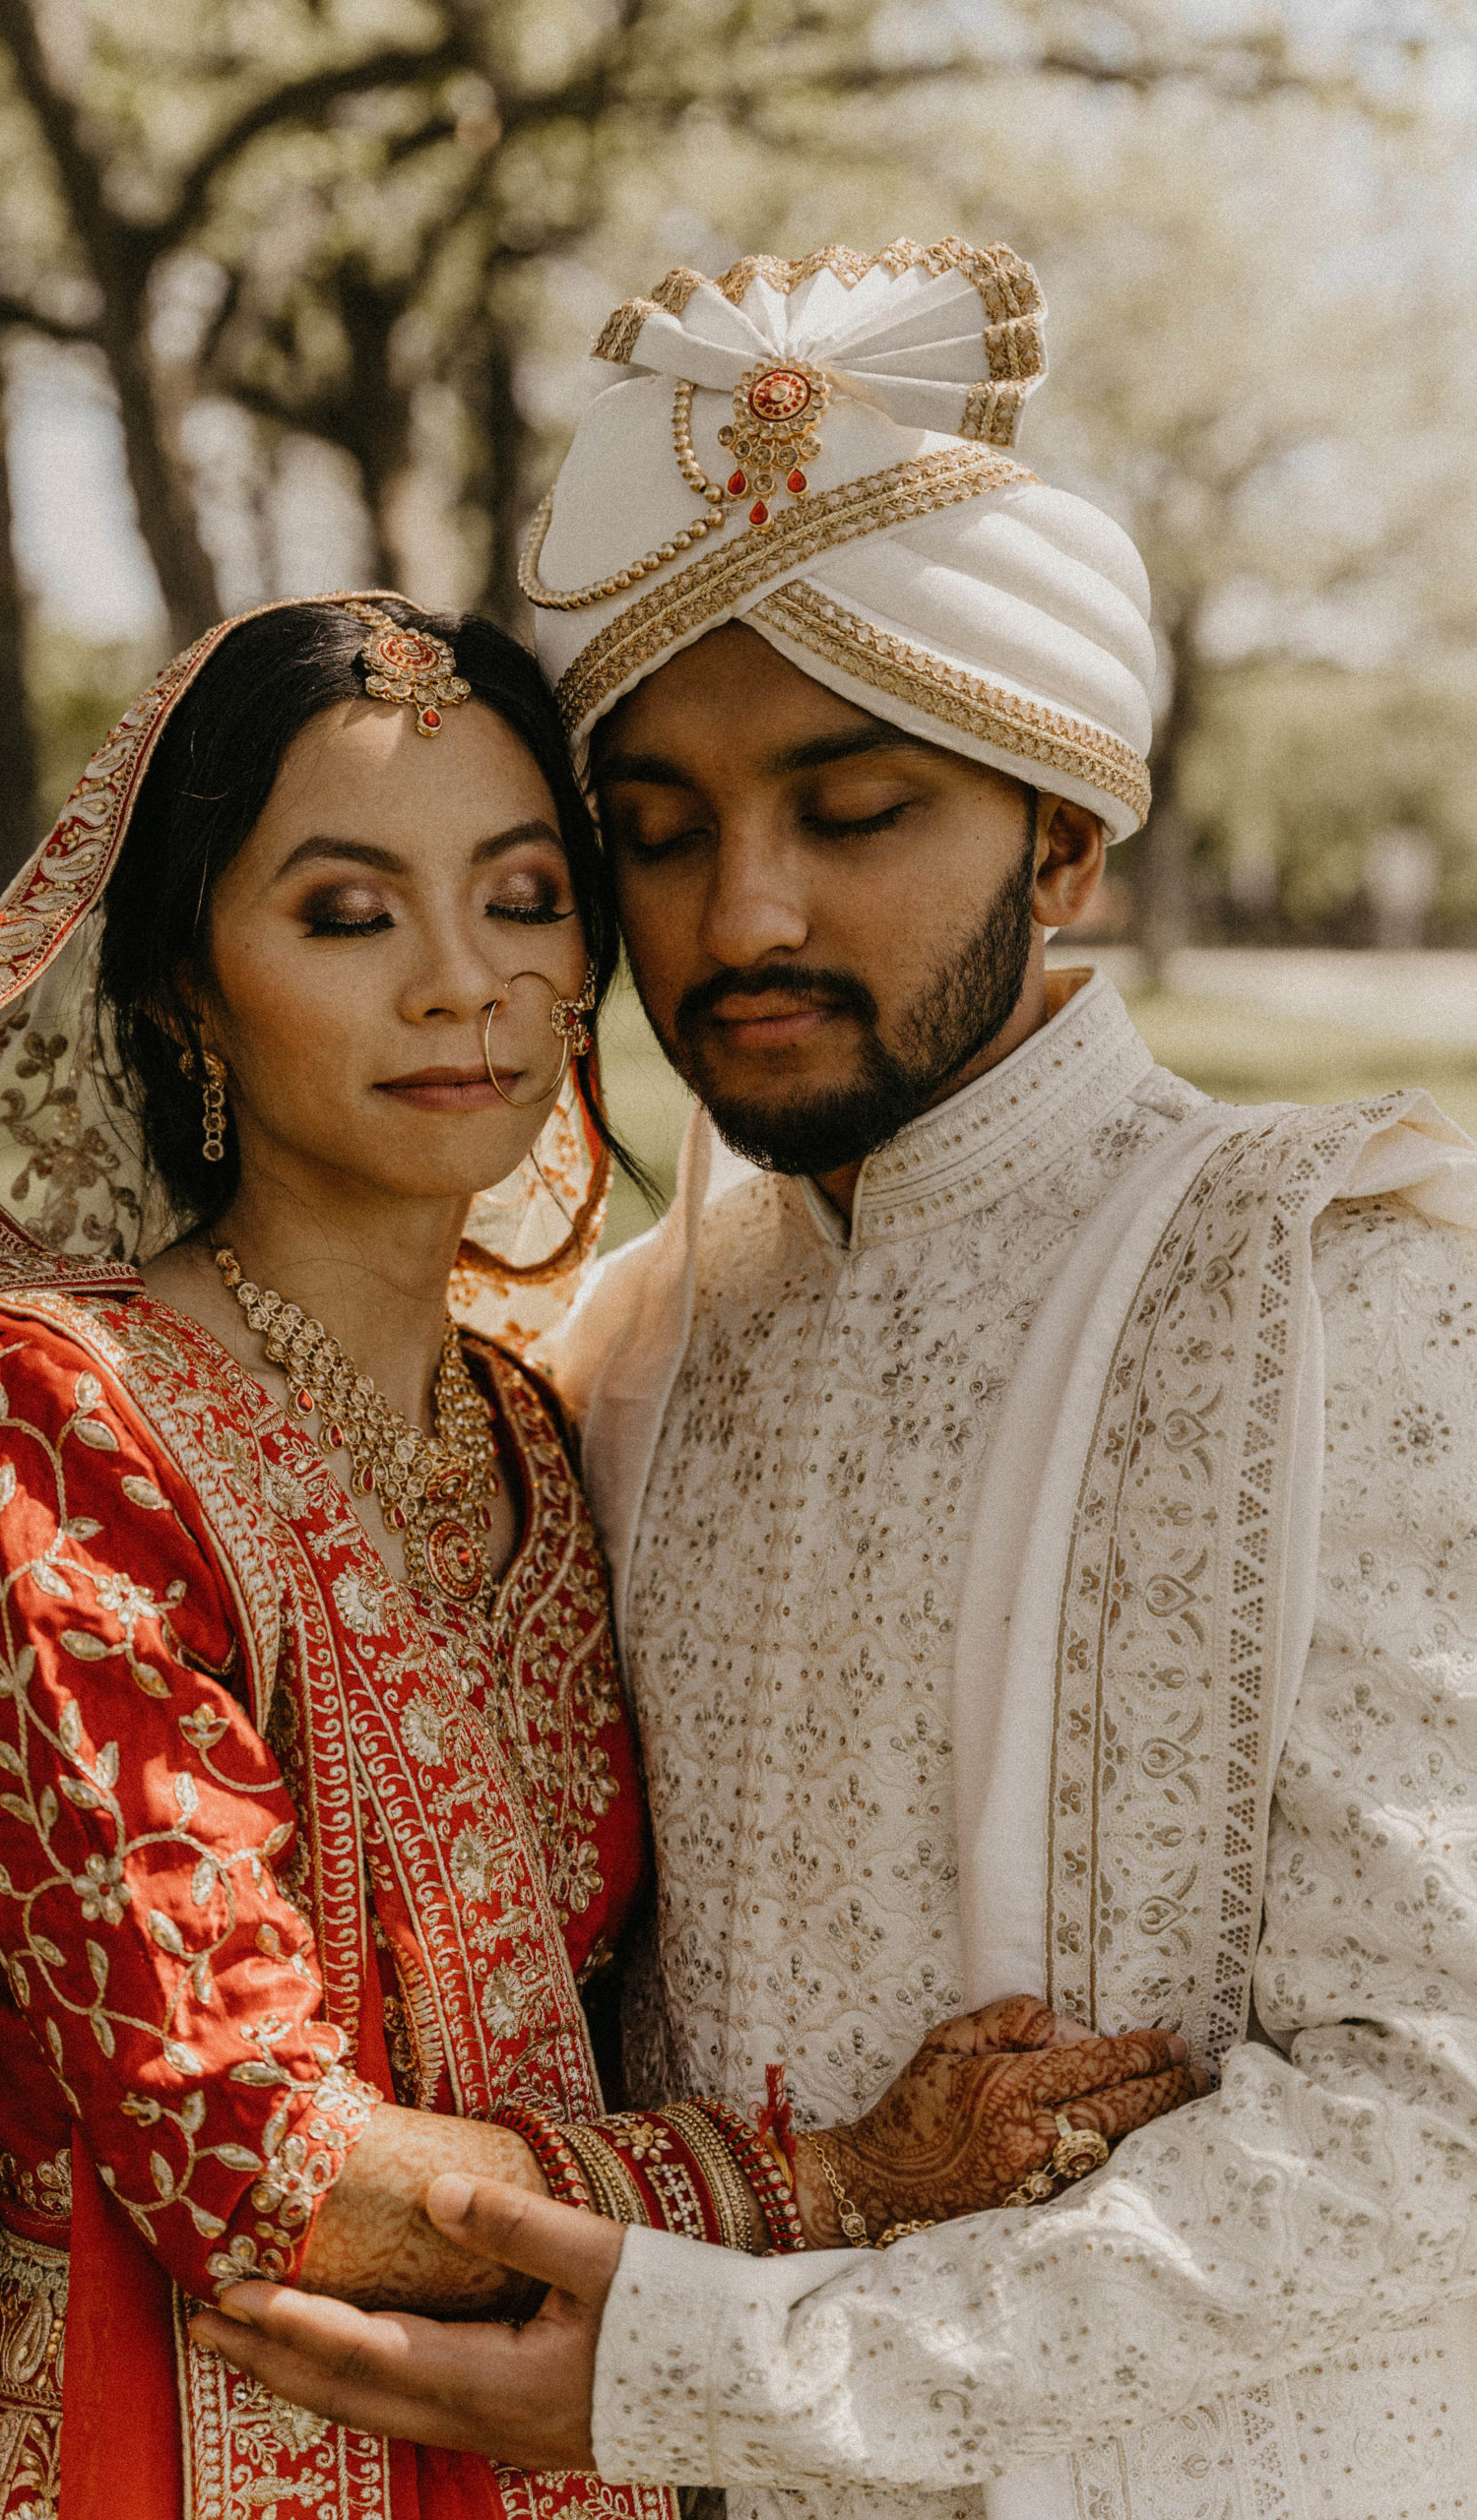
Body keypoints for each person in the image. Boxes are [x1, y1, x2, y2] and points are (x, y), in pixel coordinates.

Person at [193, 245, 1477, 2518]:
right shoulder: (631, 1337)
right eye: (656, 831)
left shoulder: (1345, 1286)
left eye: (853, 808)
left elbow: (1425, 2119)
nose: (738, 917)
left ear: (1062, 836)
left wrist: (728, 2366)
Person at [0, 591, 1199, 2520]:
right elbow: (252, 2155)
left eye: (524, 897)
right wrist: (836, 2181)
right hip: (159, 2450)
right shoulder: (58, 1423)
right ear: (188, 979)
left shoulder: (548, 1420)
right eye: (346, 913)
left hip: (551, 2450)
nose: (457, 980)